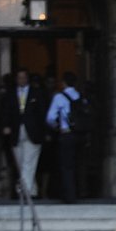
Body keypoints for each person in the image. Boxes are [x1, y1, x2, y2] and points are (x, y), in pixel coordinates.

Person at [0, 68, 48, 199]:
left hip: (33, 133)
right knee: (21, 163)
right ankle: (32, 190)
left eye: (24, 77)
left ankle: (22, 191)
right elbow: (6, 112)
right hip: (16, 132)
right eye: (19, 78)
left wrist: (44, 132)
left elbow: (42, 113)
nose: (21, 80)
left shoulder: (37, 93)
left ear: (27, 78)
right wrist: (6, 126)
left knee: (28, 162)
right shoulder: (10, 94)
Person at [45, 71, 82, 203]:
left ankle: (68, 196)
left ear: (64, 83)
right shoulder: (80, 96)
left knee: (66, 166)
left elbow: (50, 118)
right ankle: (80, 192)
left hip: (66, 134)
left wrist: (56, 127)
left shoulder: (59, 97)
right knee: (77, 164)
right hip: (79, 135)